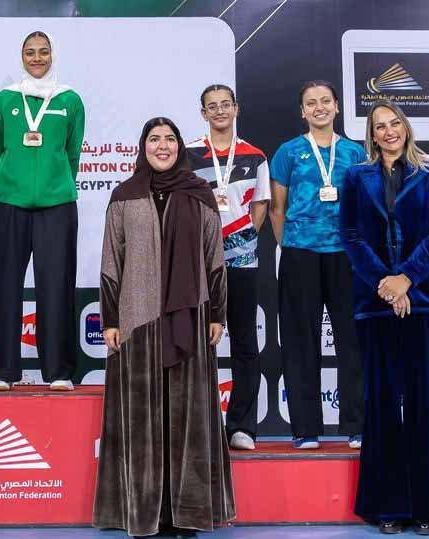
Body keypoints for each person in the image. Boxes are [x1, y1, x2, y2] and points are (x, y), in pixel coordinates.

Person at [93, 117, 235, 538]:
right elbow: (111, 260)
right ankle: (144, 514)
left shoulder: (199, 193)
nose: (162, 146)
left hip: (190, 320)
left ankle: (186, 513)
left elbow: (214, 257)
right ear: (143, 147)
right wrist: (111, 319)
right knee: (142, 421)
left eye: (170, 139)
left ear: (180, 147)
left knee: (186, 419)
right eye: (154, 139)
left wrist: (216, 313)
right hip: (137, 322)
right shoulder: (124, 195)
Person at [340, 100, 429, 536]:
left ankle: (425, 506)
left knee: (423, 401)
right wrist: (386, 285)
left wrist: (406, 279)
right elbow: (351, 235)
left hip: (423, 299)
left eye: (394, 123)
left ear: (405, 127)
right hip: (374, 303)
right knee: (383, 401)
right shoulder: (356, 177)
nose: (388, 131)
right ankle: (386, 505)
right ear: (370, 135)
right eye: (379, 126)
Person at [0, 30, 85, 391]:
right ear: (22, 57)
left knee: (57, 286)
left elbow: (72, 153)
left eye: (43, 52)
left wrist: (54, 183)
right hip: (8, 203)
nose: (37, 58)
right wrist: (12, 180)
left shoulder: (70, 100)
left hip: (57, 205)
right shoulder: (4, 100)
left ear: (52, 55)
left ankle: (58, 372)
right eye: (30, 52)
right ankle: (2, 371)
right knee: (3, 285)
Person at [269, 80, 366, 450]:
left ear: (337, 106)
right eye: (311, 103)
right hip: (300, 255)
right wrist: (293, 245)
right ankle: (305, 429)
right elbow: (277, 208)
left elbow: (364, 205)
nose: (319, 107)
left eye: (325, 101)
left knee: (352, 340)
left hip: (346, 255)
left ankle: (356, 425)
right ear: (302, 111)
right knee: (300, 341)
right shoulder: (288, 152)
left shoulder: (355, 152)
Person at [187, 84, 271, 451]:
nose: (219, 111)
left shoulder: (255, 156)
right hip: (198, 262)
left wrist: (240, 242)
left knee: (244, 342)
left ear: (236, 109)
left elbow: (261, 206)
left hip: (242, 260)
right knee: (196, 343)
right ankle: (199, 425)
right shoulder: (189, 154)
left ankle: (242, 427)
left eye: (225, 104)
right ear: (203, 113)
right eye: (212, 106)